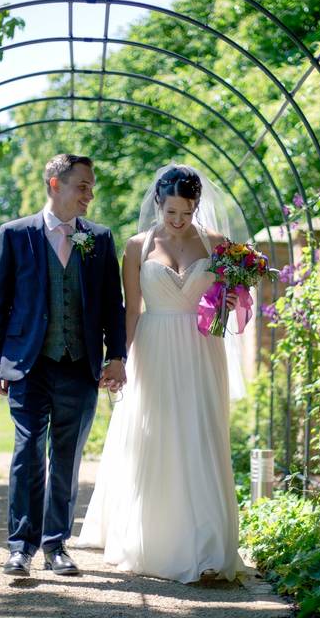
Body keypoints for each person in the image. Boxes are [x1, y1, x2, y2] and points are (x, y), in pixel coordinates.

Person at [75, 164, 245, 583]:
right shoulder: (137, 246)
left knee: (201, 435)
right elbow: (131, 311)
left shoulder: (218, 244)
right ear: (158, 205)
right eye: (171, 212)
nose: (178, 221)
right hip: (154, 349)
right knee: (158, 436)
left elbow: (227, 301)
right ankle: (155, 539)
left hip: (203, 349)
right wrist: (119, 360)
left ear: (196, 207)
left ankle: (206, 544)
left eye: (186, 213)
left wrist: (236, 292)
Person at [0, 154, 127, 577]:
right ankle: (20, 547)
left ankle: (56, 546)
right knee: (28, 452)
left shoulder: (99, 239)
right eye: (82, 185)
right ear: (55, 184)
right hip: (27, 365)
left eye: (90, 186)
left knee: (66, 457)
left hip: (79, 365)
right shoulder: (14, 235)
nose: (90, 194)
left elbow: (112, 307)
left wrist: (116, 356)